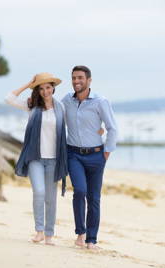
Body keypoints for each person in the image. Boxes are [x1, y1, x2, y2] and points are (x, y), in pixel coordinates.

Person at [5, 72, 68, 246]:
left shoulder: (61, 107)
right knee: (39, 192)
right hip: (35, 158)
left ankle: (49, 235)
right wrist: (28, 84)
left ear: (53, 89)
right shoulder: (32, 106)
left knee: (51, 198)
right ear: (38, 91)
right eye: (41, 88)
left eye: (48, 87)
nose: (45, 91)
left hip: (54, 159)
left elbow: (75, 125)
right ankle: (39, 231)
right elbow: (9, 98)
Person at [61, 65, 118, 250]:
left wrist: (106, 153)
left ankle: (91, 239)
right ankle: (80, 232)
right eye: (74, 78)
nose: (76, 81)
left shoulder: (100, 101)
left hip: (96, 156)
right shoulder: (66, 101)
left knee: (94, 198)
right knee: (79, 191)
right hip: (74, 154)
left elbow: (112, 128)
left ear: (89, 80)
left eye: (80, 78)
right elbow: (52, 113)